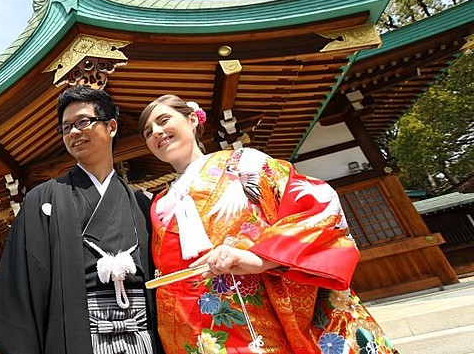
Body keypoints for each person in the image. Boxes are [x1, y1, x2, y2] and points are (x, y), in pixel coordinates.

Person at [138, 94, 397, 354]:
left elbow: (317, 204)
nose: (157, 132)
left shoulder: (243, 162)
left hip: (254, 311)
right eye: (148, 132)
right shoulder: (159, 201)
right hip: (188, 326)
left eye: (163, 121)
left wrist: (259, 257)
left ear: (192, 119)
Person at [0, 85, 161, 354]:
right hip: (77, 339)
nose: (73, 132)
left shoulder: (143, 204)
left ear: (111, 126)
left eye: (83, 122)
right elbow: (21, 286)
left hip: (144, 339)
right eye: (65, 127)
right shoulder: (43, 200)